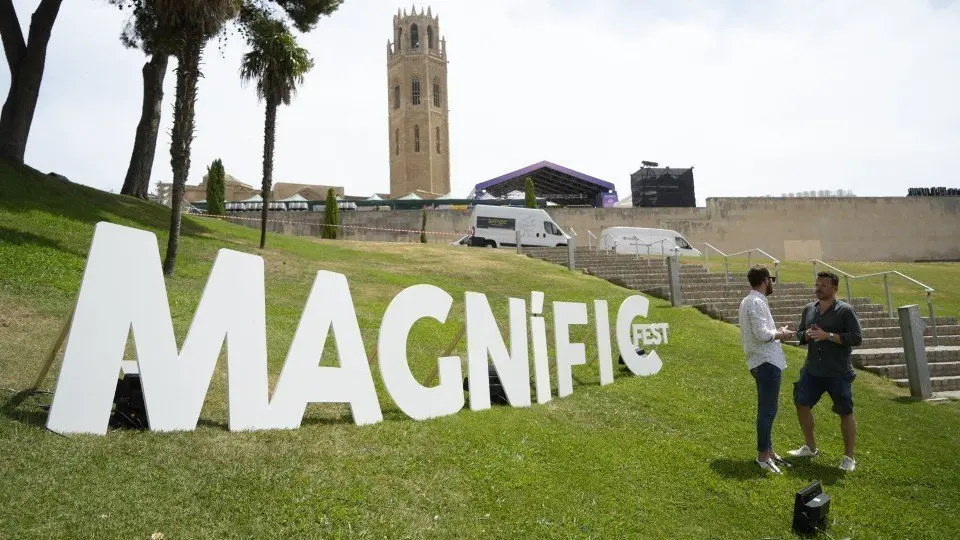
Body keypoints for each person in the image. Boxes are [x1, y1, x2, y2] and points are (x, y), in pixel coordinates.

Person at [787, 271, 863, 472]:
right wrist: (807, 335)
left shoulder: (845, 311)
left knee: (845, 411)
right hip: (812, 369)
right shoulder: (809, 309)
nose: (819, 288)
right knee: (801, 403)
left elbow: (856, 338)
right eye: (817, 284)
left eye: (824, 285)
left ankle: (848, 458)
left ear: (834, 289)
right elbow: (801, 335)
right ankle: (810, 448)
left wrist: (828, 336)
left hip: (838, 372)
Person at [739, 265, 795, 474]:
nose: (772, 283)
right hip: (765, 362)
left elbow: (760, 331)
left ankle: (769, 451)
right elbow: (762, 334)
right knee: (768, 410)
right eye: (771, 279)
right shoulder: (754, 302)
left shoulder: (752, 301)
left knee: (768, 409)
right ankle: (763, 456)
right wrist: (782, 334)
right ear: (764, 280)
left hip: (762, 361)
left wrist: (777, 331)